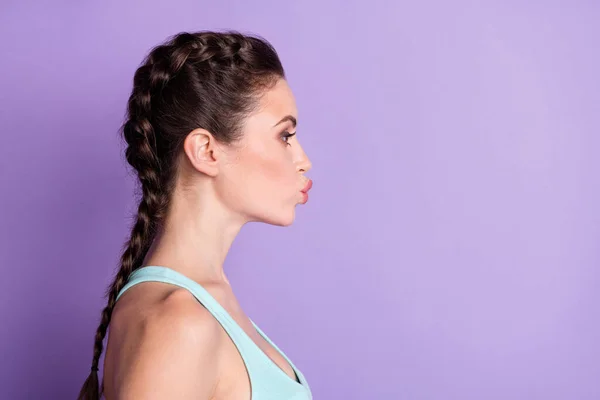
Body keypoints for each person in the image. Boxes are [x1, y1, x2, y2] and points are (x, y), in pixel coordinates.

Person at [78, 30, 313, 400]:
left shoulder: (204, 300)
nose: (303, 161)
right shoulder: (179, 322)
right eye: (285, 135)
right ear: (206, 150)